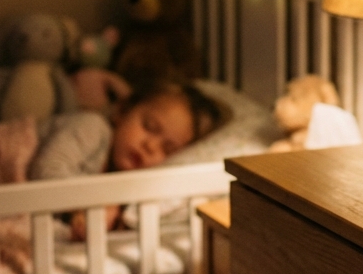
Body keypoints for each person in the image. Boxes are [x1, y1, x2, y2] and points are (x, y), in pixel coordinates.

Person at [28, 79, 227, 238]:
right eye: (149, 127)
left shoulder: (127, 190)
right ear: (122, 111)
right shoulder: (92, 127)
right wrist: (93, 203)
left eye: (167, 150)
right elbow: (46, 172)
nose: (150, 146)